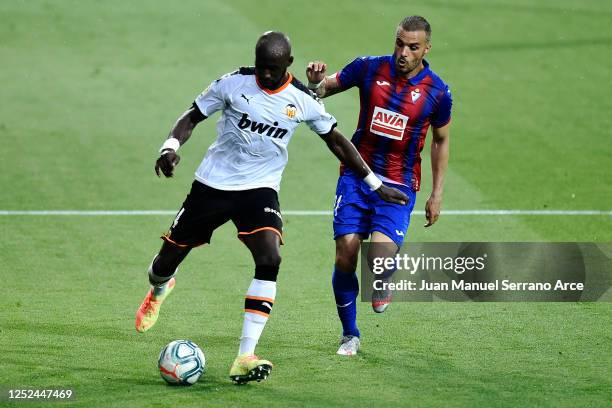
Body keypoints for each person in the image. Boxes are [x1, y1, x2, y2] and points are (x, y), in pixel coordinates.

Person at [134, 31, 407, 384]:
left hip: (259, 190)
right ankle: (159, 288)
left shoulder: (301, 99)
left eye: (273, 69)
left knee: (270, 258)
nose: (265, 75)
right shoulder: (233, 83)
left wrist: (375, 184)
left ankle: (245, 356)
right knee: (163, 263)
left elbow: (337, 142)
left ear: (288, 65)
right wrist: (169, 147)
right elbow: (192, 116)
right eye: (262, 67)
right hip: (212, 185)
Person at [306, 15, 452, 356]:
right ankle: (350, 335)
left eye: (412, 47)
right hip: (357, 174)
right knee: (346, 251)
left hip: (401, 182)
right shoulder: (369, 68)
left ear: (426, 49)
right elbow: (327, 87)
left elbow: (441, 141)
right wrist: (315, 83)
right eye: (399, 43)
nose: (403, 52)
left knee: (379, 259)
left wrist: (437, 191)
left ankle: (383, 279)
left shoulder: (438, 92)